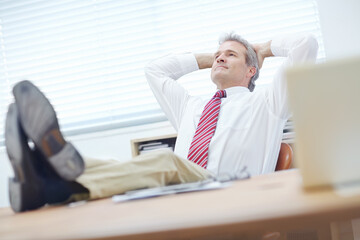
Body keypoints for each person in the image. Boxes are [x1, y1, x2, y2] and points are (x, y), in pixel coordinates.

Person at [5, 32, 318, 213]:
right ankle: (41, 178)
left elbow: (306, 44)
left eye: (231, 56)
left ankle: (52, 173)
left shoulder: (267, 103)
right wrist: (213, 58)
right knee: (117, 163)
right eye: (218, 54)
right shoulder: (192, 107)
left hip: (231, 195)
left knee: (168, 162)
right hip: (179, 196)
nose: (221, 58)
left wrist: (260, 49)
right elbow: (155, 70)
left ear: (252, 70)